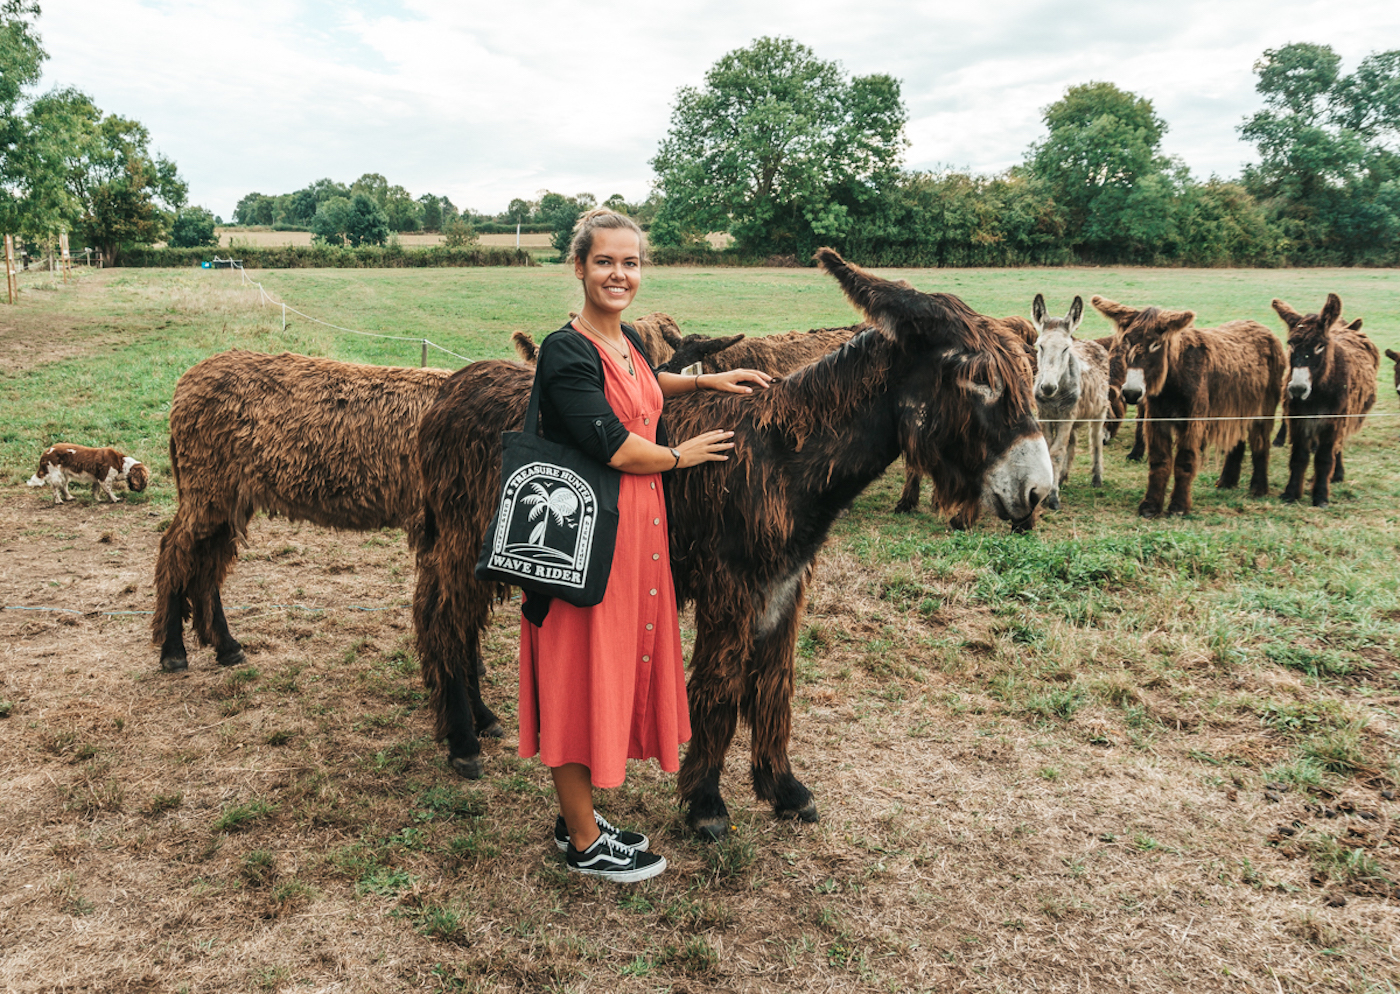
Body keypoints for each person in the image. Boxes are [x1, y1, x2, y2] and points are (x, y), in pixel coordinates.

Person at [518, 208, 772, 882]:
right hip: (584, 540)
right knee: (575, 674)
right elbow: (609, 440)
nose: (619, 274)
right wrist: (680, 454)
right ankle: (581, 842)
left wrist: (705, 380)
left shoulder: (627, 340)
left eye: (630, 263)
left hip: (632, 532)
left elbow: (642, 384)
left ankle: (579, 816)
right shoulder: (564, 349)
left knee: (603, 667)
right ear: (579, 267)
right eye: (605, 261)